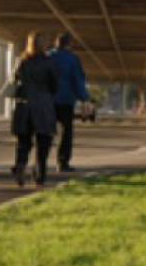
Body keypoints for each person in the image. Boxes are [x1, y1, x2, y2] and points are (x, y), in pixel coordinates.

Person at [10, 31, 58, 187]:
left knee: (24, 141)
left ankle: (20, 165)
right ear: (44, 45)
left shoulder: (22, 61)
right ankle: (39, 173)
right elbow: (55, 84)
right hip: (43, 105)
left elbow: (14, 80)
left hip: (24, 105)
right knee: (43, 140)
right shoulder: (49, 62)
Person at [48, 32, 89, 173]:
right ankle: (62, 162)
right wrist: (83, 98)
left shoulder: (48, 57)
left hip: (48, 100)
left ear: (56, 43)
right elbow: (78, 79)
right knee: (66, 131)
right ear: (69, 44)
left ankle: (41, 161)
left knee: (46, 131)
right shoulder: (72, 59)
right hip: (65, 100)